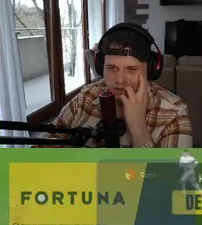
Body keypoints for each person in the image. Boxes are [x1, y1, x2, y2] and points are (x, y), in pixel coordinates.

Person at [40, 24, 192, 148]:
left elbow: (169, 177)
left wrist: (138, 128)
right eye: (112, 68)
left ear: (151, 70)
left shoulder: (174, 114)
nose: (119, 80)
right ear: (101, 66)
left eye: (132, 69)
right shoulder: (86, 98)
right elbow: (44, 149)